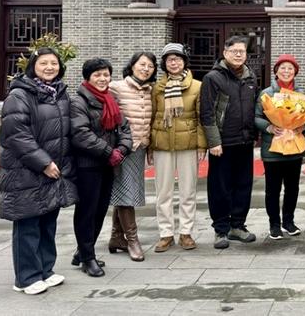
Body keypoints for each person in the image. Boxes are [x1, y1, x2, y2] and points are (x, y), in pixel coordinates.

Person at [0, 48, 78, 295]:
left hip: (53, 170)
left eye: (54, 63)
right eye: (43, 63)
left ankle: (45, 270)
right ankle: (26, 277)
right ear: (33, 66)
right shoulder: (20, 95)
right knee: (28, 223)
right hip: (26, 170)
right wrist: (44, 163)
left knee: (47, 221)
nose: (49, 67)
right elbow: (16, 135)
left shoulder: (59, 93)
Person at [71, 58, 133, 277]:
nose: (102, 78)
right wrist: (109, 152)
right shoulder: (78, 102)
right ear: (87, 77)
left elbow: (124, 128)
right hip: (88, 165)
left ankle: (82, 252)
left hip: (108, 165)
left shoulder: (110, 99)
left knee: (100, 210)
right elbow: (81, 134)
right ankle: (87, 257)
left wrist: (122, 149)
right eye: (97, 75)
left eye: (106, 74)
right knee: (87, 211)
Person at [200, 36, 259, 249]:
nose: (238, 55)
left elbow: (254, 107)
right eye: (234, 51)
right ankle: (221, 229)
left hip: (245, 141)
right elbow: (207, 112)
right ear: (225, 53)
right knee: (220, 187)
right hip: (222, 143)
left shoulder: (250, 77)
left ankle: (238, 226)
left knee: (243, 185)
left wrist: (254, 135)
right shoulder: (213, 78)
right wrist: (213, 141)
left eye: (242, 51)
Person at [149, 43, 206, 252]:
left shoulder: (197, 86)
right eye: (170, 60)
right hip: (162, 143)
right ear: (164, 64)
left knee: (187, 191)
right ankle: (165, 234)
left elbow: (201, 117)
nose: (174, 63)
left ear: (184, 62)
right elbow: (152, 116)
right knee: (163, 192)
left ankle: (185, 232)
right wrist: (149, 145)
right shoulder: (157, 88)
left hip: (188, 143)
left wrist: (202, 145)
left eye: (178, 59)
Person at [108, 51, 157, 262]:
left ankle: (116, 237)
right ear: (132, 65)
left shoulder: (151, 90)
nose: (146, 69)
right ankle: (132, 240)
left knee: (124, 191)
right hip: (122, 148)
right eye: (142, 64)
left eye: (150, 66)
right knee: (126, 192)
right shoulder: (116, 87)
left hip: (140, 147)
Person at [255, 54, 305, 240]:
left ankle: (289, 222)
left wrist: (302, 126)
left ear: (295, 72)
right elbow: (257, 117)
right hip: (273, 148)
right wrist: (269, 127)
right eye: (283, 68)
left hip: (294, 147)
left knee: (292, 188)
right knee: (273, 189)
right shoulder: (267, 93)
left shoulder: (300, 94)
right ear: (276, 71)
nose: (286, 71)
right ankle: (274, 224)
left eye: (290, 68)